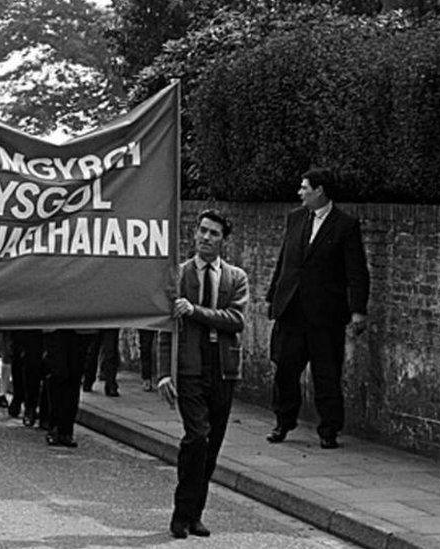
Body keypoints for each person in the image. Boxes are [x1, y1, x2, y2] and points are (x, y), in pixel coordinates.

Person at [156, 209, 248, 539]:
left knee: (212, 444)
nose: (206, 238)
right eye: (203, 231)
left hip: (222, 367)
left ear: (224, 240)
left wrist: (195, 311)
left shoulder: (235, 277)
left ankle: (196, 514)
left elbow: (235, 319)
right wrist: (164, 373)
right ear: (194, 234)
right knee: (197, 436)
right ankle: (180, 514)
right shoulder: (178, 276)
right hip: (189, 367)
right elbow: (165, 328)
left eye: (214, 234)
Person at [265, 167, 370, 449]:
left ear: (320, 190)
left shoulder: (345, 225)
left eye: (304, 187)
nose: (300, 192)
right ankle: (283, 422)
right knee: (285, 370)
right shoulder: (295, 218)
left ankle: (329, 429)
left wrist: (358, 309)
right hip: (292, 310)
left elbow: (356, 271)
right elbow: (284, 260)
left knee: (327, 374)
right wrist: (273, 295)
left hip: (326, 315)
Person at [43, 329, 98, 447]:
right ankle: (54, 426)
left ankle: (67, 430)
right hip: (57, 328)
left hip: (80, 330)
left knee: (74, 377)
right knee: (58, 374)